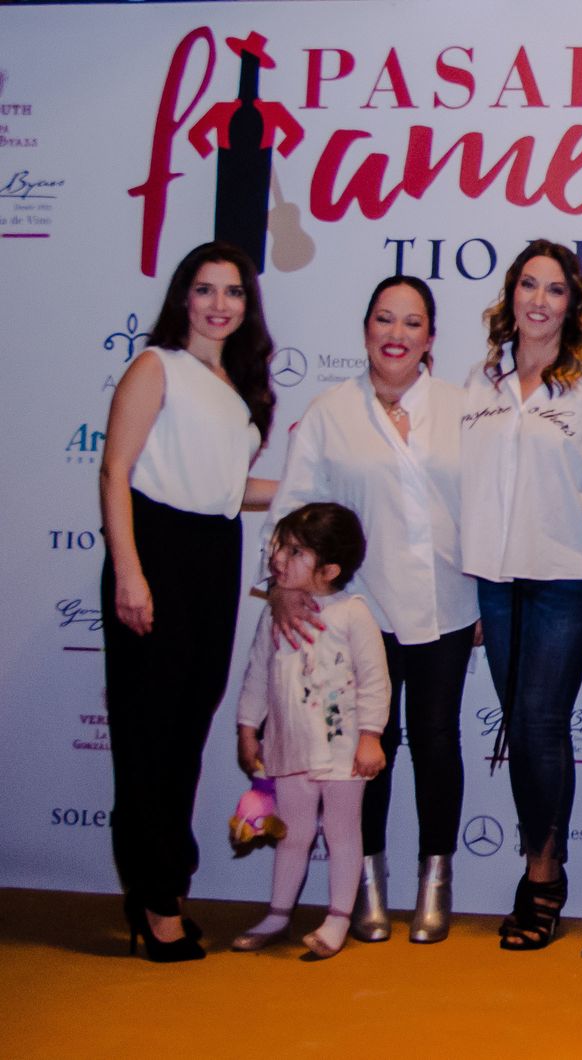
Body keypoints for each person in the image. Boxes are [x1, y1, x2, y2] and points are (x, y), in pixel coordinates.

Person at [267, 275, 477, 944]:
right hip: (355, 612)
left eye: (411, 323)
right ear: (364, 331)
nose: (396, 334)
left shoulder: (462, 407)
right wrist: (285, 583)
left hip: (446, 603)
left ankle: (435, 881)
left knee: (438, 742)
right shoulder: (330, 412)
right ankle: (366, 884)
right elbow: (294, 509)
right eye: (384, 320)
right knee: (368, 748)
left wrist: (488, 591)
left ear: (432, 338)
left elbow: (485, 505)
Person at [100, 241, 277, 962]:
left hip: (215, 552)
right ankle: (153, 899)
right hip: (158, 551)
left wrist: (319, 490)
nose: (218, 304)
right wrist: (130, 573)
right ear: (183, 297)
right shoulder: (157, 367)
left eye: (232, 292)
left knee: (184, 733)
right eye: (205, 290)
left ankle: (164, 887)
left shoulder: (233, 384)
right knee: (146, 736)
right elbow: (115, 471)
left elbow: (230, 490)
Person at [460, 240, 582, 950]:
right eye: (529, 285)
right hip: (493, 581)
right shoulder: (480, 377)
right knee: (520, 725)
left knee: (538, 725)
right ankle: (541, 870)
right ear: (510, 294)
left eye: (555, 290)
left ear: (573, 304)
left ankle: (543, 877)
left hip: (563, 579)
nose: (539, 301)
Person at [231, 503, 389, 960]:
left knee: (342, 833)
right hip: (289, 746)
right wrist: (247, 728)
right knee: (292, 833)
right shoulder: (274, 614)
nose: (279, 557)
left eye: (295, 551)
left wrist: (370, 736)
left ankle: (339, 916)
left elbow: (375, 680)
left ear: (330, 569)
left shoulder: (353, 614)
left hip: (343, 752)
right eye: (280, 545)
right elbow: (257, 673)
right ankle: (279, 912)